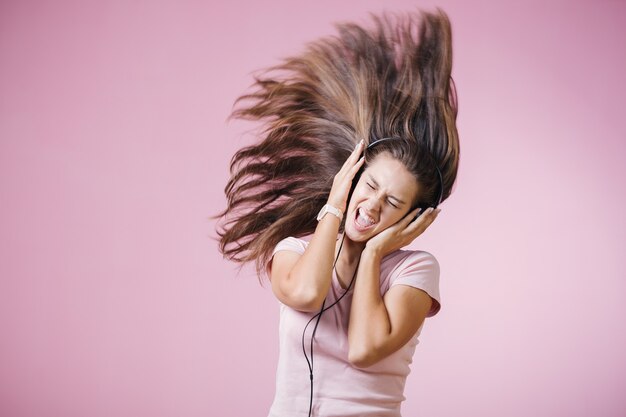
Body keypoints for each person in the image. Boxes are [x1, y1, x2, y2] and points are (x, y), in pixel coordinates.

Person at [215, 8, 460, 417]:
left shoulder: (414, 271)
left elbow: (364, 349)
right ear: (350, 179)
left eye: (394, 203)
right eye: (370, 186)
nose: (374, 206)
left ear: (412, 218)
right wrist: (335, 201)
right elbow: (308, 294)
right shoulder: (291, 251)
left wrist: (376, 253)